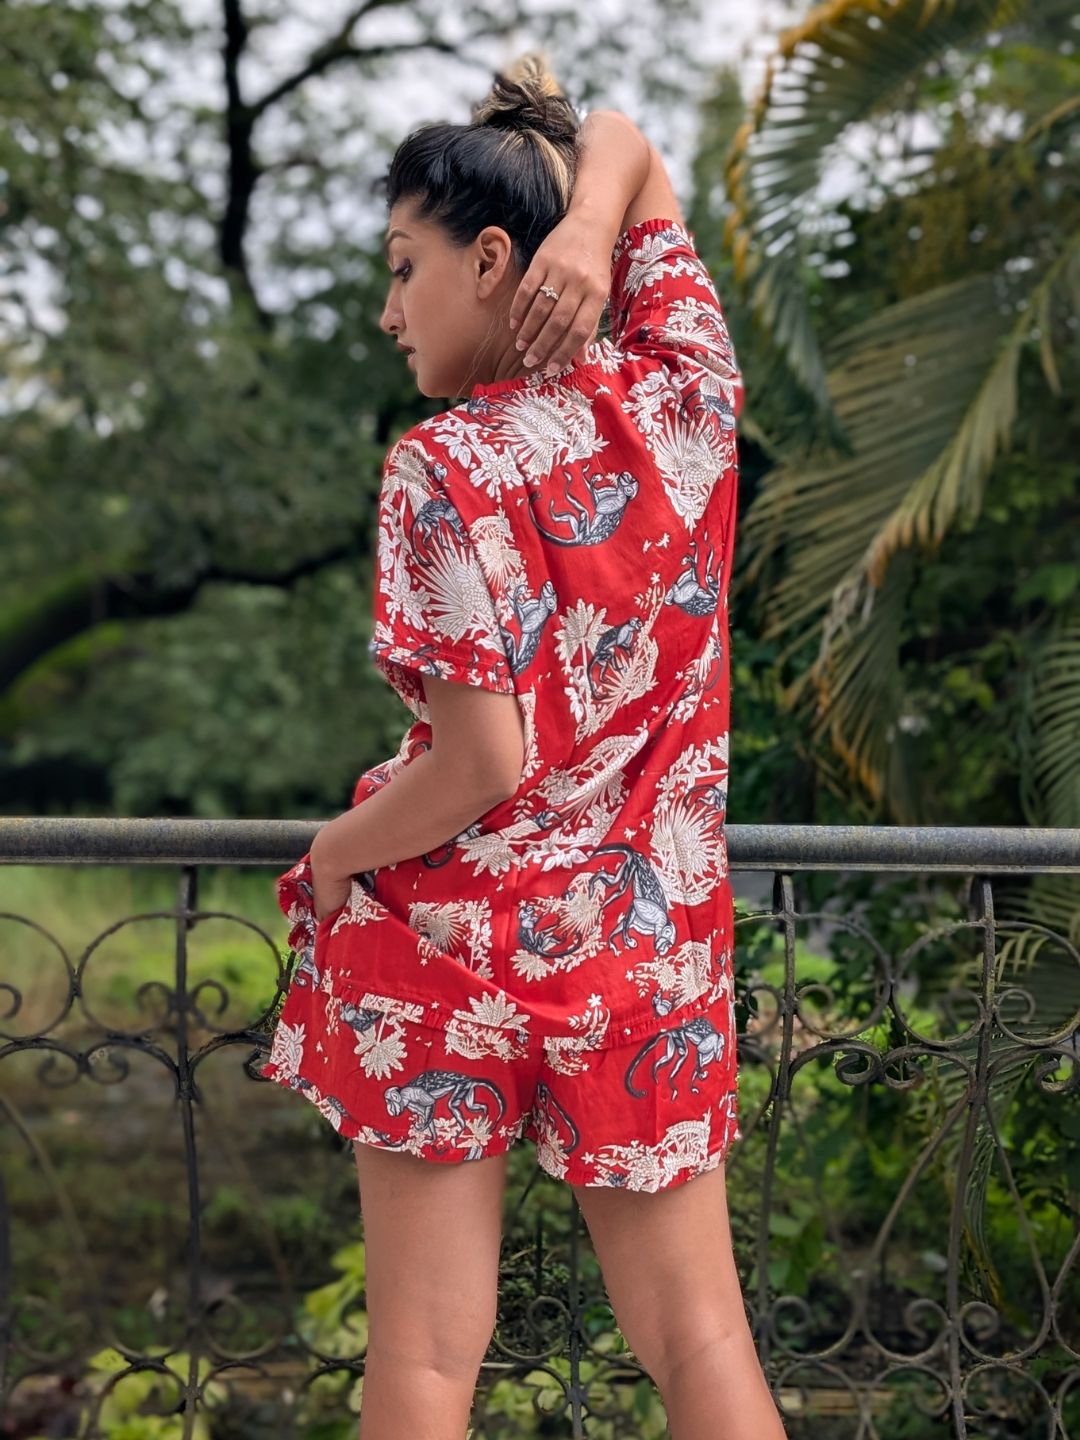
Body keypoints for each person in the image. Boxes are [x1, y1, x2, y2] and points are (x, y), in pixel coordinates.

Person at [260, 52, 787, 1440]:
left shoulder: (442, 467)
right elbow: (630, 144)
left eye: (402, 269)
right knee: (700, 1338)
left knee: (428, 1362)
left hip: (450, 954)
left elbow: (477, 765)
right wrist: (603, 223)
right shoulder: (686, 400)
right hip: (643, 947)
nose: (388, 314)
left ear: (492, 259)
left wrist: (330, 854)